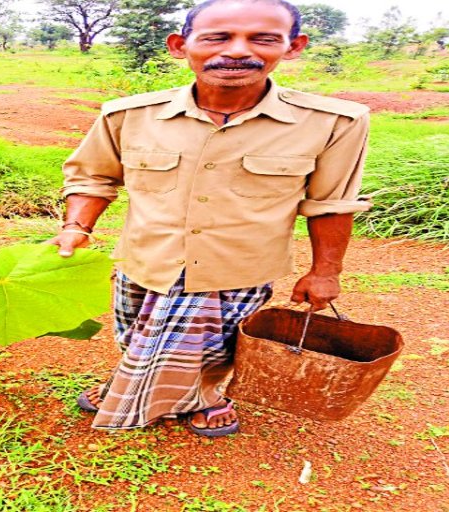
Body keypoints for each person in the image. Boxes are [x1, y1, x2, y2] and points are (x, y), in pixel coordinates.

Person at [49, 0, 371, 435]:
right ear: (180, 46)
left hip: (238, 269)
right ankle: (140, 384)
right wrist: (76, 228)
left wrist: (325, 272)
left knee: (216, 348)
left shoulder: (333, 122)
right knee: (137, 335)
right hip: (146, 260)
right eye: (217, 37)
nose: (237, 50)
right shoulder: (128, 115)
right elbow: (93, 177)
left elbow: (331, 203)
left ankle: (206, 396)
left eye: (262, 38)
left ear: (293, 47)